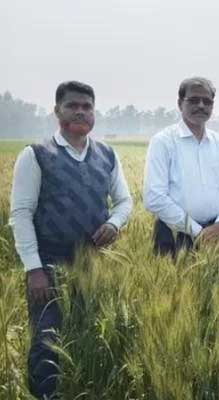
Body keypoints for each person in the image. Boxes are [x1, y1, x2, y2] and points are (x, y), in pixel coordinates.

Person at [9, 81, 133, 399]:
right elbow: (21, 214)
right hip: (49, 262)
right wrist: (33, 268)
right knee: (47, 339)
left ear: (94, 112)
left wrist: (115, 223)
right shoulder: (35, 155)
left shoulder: (106, 154)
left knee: (88, 333)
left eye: (86, 106)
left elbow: (124, 201)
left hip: (93, 262)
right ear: (57, 111)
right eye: (72, 105)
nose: (80, 111)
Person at [143, 77, 219, 258]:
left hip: (215, 235)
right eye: (194, 100)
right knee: (170, 286)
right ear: (180, 103)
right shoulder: (163, 141)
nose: (201, 105)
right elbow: (154, 197)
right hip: (173, 235)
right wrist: (196, 231)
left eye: (207, 101)